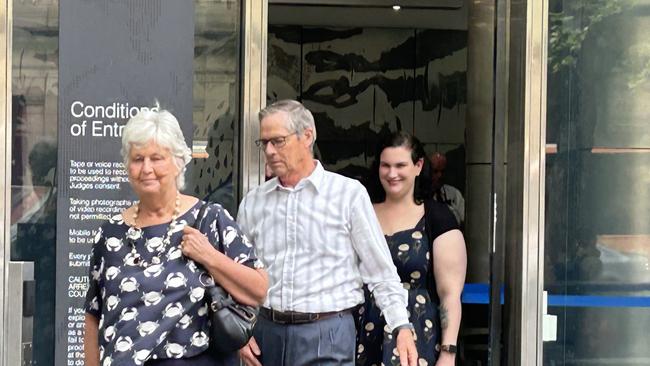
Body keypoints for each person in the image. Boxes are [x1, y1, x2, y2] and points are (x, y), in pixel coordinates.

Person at [237, 100, 418, 366]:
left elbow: (379, 269)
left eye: (278, 141)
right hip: (267, 331)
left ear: (307, 136)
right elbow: (237, 272)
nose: (270, 151)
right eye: (264, 143)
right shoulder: (254, 201)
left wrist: (401, 325)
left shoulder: (347, 195)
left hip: (328, 329)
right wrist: (239, 328)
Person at [83, 107, 268, 366]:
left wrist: (209, 256)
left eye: (156, 158)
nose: (146, 168)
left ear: (178, 161)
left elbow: (259, 289)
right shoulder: (110, 232)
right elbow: (93, 315)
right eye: (137, 159)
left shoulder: (209, 219)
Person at [357, 132, 467, 366]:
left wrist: (448, 353)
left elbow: (450, 294)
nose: (392, 173)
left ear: (418, 166)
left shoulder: (437, 218)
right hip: (362, 333)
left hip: (418, 335)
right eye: (385, 165)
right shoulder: (361, 213)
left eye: (400, 165)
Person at [430, 152, 465, 226]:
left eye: (443, 171)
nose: (440, 175)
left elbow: (464, 219)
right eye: (435, 171)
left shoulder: (453, 193)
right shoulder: (420, 195)